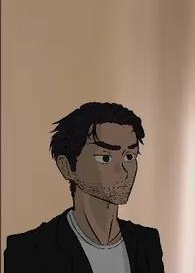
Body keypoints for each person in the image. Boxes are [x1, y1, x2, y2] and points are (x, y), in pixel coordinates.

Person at [4, 102, 166, 272]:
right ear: (67, 167)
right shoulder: (29, 250)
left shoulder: (147, 242)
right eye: (105, 158)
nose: (123, 170)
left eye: (129, 156)